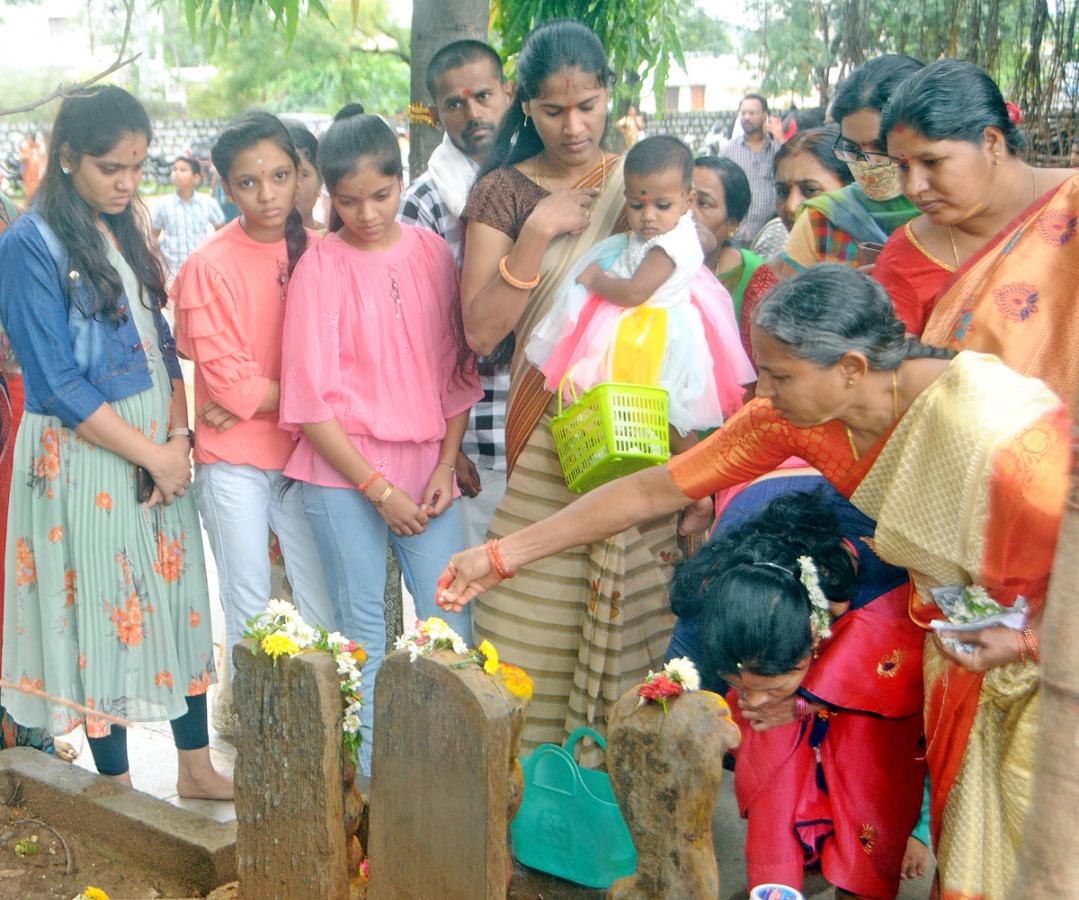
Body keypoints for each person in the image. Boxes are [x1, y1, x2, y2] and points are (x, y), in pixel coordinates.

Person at [439, 264, 1066, 899]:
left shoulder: (998, 431)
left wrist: (1030, 641)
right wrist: (502, 555)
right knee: (976, 849)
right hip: (966, 658)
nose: (761, 390)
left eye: (779, 374)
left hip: (1051, 665)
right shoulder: (794, 416)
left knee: (1040, 846)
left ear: (851, 368)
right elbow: (656, 486)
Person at [459, 18, 696, 755]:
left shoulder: (643, 181)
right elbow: (479, 333)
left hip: (632, 429)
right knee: (527, 618)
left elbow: (684, 295)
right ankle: (527, 787)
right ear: (522, 106)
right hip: (544, 435)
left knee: (629, 623)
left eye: (588, 106)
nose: (573, 126)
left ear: (608, 97)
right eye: (554, 111)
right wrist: (535, 236)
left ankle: (606, 787)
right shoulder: (501, 194)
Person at [0, 86, 230, 798]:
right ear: (66, 158)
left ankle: (196, 769)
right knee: (108, 612)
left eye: (137, 166)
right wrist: (152, 453)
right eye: (111, 168)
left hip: (154, 441)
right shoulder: (27, 244)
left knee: (179, 601)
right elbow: (56, 381)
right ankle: (121, 792)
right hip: (84, 453)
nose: (128, 182)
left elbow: (160, 342)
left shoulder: (123, 223)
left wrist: (177, 435)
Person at [279, 112, 480, 773]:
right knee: (363, 631)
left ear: (401, 180)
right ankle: (368, 784)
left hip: (428, 466)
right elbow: (309, 402)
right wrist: (378, 489)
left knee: (449, 624)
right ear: (328, 197)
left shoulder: (430, 252)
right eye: (347, 200)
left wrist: (448, 463)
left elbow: (455, 366)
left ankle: (450, 774)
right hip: (343, 475)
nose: (365, 213)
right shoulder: (319, 267)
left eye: (380, 194)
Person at [670, 486, 925, 897]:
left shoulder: (887, 568)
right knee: (774, 762)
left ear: (811, 638)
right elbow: (685, 693)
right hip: (762, 518)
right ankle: (780, 876)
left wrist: (810, 699)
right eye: (739, 687)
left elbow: (905, 679)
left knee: (870, 786)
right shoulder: (713, 600)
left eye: (771, 686)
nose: (752, 701)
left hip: (868, 528)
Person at [172, 111, 334, 665]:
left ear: (300, 174)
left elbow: (339, 373)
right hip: (235, 460)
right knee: (249, 608)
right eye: (248, 182)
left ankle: (333, 734)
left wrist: (254, 401)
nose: (267, 194)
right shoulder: (208, 265)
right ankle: (255, 736)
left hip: (313, 456)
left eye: (280, 176)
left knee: (321, 608)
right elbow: (232, 386)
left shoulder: (324, 253)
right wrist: (304, 398)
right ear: (226, 188)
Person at [872, 59, 1079, 407]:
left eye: (932, 162)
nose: (913, 186)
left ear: (992, 142)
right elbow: (892, 385)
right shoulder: (906, 253)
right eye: (902, 167)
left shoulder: (1071, 202)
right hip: (978, 453)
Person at [525, 135, 753, 442]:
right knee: (643, 417)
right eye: (636, 205)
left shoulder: (666, 247)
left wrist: (596, 281)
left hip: (653, 337)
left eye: (663, 205)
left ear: (689, 199)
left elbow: (633, 293)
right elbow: (708, 240)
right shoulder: (680, 227)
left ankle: (696, 485)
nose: (648, 217)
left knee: (669, 418)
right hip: (647, 330)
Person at [398, 39, 514, 547]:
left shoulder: (544, 179)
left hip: (550, 435)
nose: (473, 113)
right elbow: (411, 340)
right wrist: (446, 452)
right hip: (473, 444)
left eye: (484, 96)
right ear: (436, 112)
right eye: (455, 103)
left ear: (509, 93)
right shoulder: (424, 203)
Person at [783, 54, 923, 272]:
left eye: (883, 146)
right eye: (854, 149)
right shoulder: (821, 220)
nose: (869, 164)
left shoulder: (955, 218)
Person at [738, 126, 854, 356]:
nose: (791, 206)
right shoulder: (769, 279)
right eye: (782, 191)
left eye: (809, 190)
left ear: (852, 190)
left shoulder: (884, 258)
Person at [692, 156, 763, 322]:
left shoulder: (754, 275)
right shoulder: (650, 262)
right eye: (685, 198)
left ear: (732, 225)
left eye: (704, 203)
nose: (688, 211)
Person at [720, 93, 781, 245]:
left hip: (769, 236)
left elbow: (794, 169)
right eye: (743, 113)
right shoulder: (729, 150)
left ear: (765, 116)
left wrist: (780, 138)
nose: (746, 117)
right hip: (735, 235)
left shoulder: (777, 150)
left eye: (752, 113)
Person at [150, 156, 225, 278]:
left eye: (183, 170)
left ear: (195, 178)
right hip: (171, 272)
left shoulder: (207, 203)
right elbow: (153, 235)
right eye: (175, 169)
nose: (176, 173)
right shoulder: (162, 204)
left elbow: (221, 232)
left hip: (199, 271)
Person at [285, 121, 324, 231]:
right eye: (282, 176)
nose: (294, 185)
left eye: (303, 175)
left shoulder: (332, 243)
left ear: (320, 180)